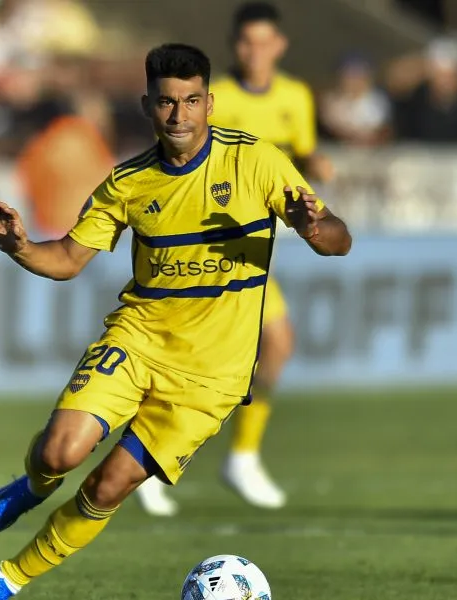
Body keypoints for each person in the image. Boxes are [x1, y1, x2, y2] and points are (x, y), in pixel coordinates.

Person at [0, 43, 350, 600]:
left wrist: (316, 227)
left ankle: (8, 579)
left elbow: (338, 239)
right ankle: (34, 485)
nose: (180, 116)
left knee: (107, 489)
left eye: (192, 101)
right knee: (59, 450)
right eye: (168, 103)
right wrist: (19, 246)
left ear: (209, 103)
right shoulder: (127, 182)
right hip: (139, 338)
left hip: (211, 376)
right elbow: (69, 259)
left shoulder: (257, 162)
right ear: (148, 105)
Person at [135, 2, 334, 516]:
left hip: (250, 249)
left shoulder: (296, 97)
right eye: (247, 42)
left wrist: (314, 170)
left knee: (277, 345)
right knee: (190, 356)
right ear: (236, 46)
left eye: (265, 42)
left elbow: (300, 154)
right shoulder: (210, 98)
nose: (256, 51)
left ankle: (240, 454)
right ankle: (151, 459)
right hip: (199, 249)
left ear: (279, 46)